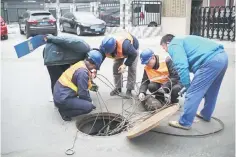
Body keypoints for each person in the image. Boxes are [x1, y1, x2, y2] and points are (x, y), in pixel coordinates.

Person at [160, 34, 228, 130]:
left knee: (193, 93)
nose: (165, 50)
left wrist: (188, 86)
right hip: (222, 57)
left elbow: (182, 67)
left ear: (167, 43)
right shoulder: (183, 39)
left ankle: (185, 122)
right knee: (212, 90)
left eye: (164, 48)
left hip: (210, 61)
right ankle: (206, 114)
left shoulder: (173, 45)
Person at [53, 50, 103, 121]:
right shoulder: (83, 72)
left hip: (59, 93)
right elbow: (82, 93)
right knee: (88, 107)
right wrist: (89, 103)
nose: (94, 69)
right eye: (95, 67)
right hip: (63, 98)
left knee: (85, 102)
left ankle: (65, 107)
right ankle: (65, 112)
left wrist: (92, 85)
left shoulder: (81, 64)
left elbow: (84, 85)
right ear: (93, 64)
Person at [99, 31, 139, 97]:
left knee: (132, 69)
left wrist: (125, 65)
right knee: (116, 67)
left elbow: (134, 54)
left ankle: (129, 90)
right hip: (120, 50)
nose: (107, 54)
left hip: (133, 49)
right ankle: (118, 88)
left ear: (114, 47)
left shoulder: (125, 46)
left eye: (109, 52)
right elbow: (101, 58)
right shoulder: (104, 46)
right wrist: (95, 68)